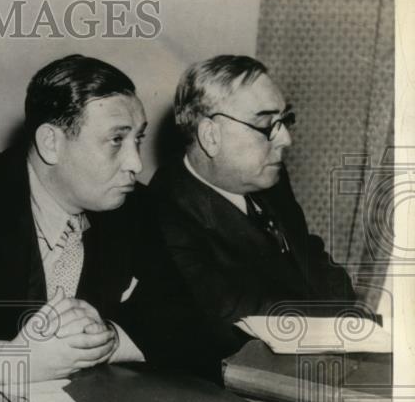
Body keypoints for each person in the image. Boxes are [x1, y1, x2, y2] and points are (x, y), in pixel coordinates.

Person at [0, 54, 220, 390]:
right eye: (116, 140)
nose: (136, 164)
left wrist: (106, 339)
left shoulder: (132, 205)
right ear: (51, 142)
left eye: (137, 139)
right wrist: (16, 362)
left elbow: (190, 322)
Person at [149, 54, 357, 344]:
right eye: (265, 125)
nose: (285, 139)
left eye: (285, 120)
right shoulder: (162, 210)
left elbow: (307, 255)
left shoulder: (268, 177)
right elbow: (230, 315)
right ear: (210, 136)